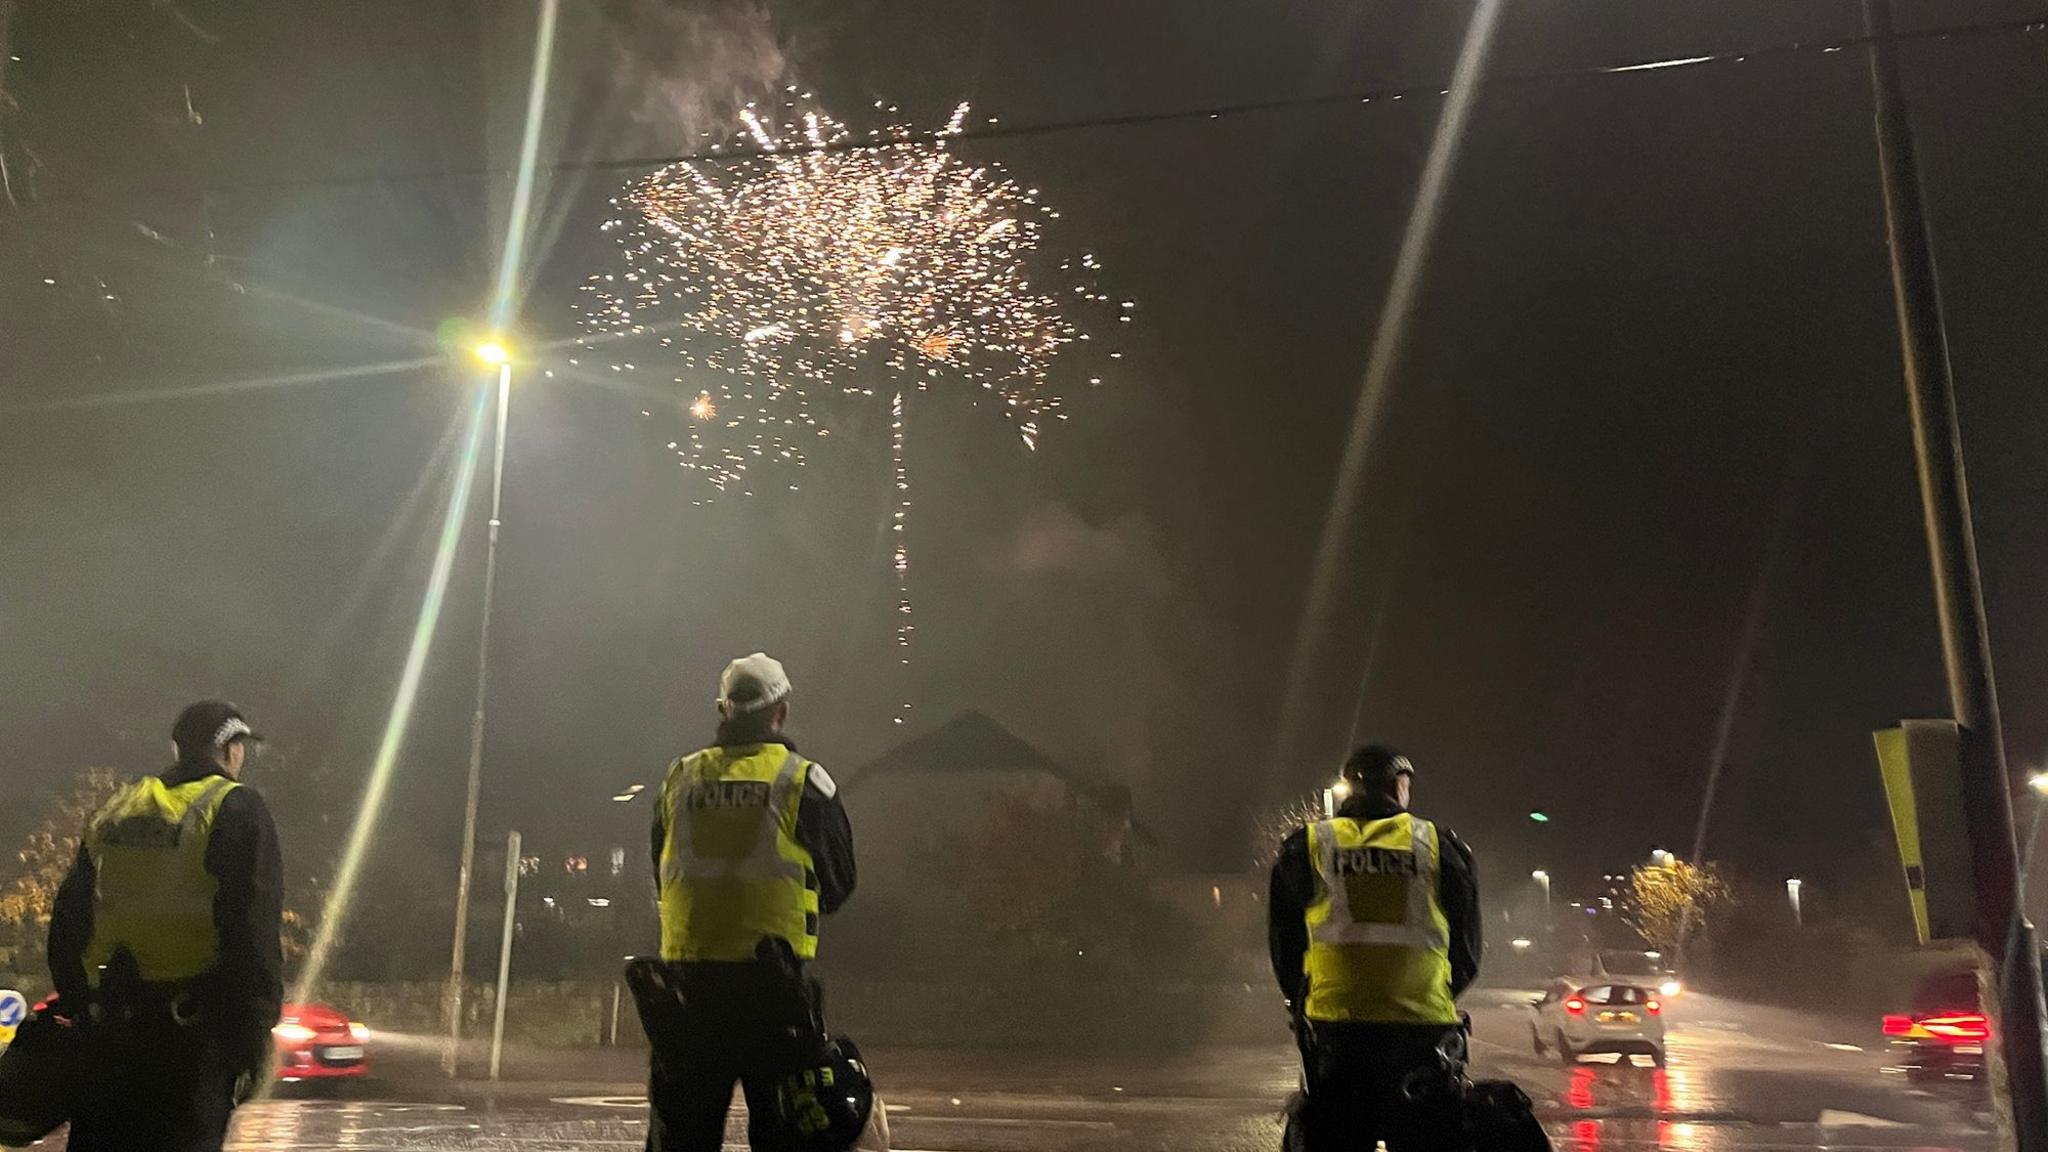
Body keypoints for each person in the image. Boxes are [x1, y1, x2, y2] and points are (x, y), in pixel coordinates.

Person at [644, 653, 857, 1152]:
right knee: (788, 1136)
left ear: (724, 711)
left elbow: (662, 871)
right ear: (780, 711)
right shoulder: (802, 781)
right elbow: (840, 883)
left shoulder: (681, 779)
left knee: (681, 1139)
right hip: (774, 995)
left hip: (688, 995)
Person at [48, 701, 284, 1152]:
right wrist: (256, 1030)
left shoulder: (119, 807)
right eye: (241, 747)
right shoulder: (235, 807)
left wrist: (82, 1008)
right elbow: (252, 927)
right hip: (190, 1047)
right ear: (230, 748)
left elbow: (67, 924)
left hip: (109, 1036)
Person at [1268, 744, 1481, 1152]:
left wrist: (1306, 1003)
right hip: (1423, 1036)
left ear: (1351, 789)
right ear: (1398, 786)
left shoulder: (1307, 846)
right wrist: (1433, 993)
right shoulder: (1439, 846)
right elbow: (1468, 951)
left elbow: (1285, 947)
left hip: (1338, 1037)